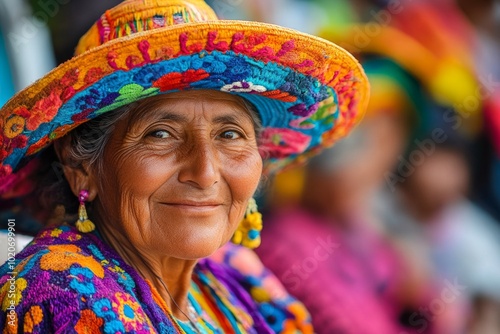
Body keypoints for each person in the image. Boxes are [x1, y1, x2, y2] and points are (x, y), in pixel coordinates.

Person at [0, 0, 369, 332]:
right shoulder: (57, 288)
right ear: (79, 165)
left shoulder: (236, 276)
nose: (206, 172)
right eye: (160, 134)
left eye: (229, 134)